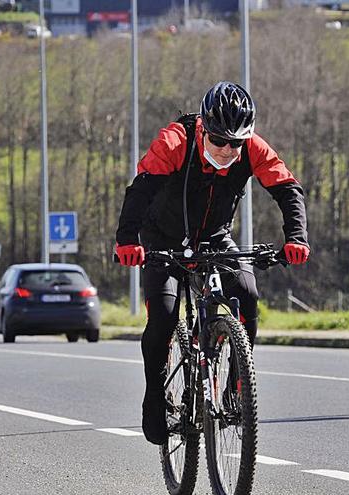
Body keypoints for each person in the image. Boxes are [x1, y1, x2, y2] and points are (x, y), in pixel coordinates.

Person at [114, 81, 310, 445]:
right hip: (162, 239)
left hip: (216, 236)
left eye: (235, 142)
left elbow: (287, 188)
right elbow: (140, 190)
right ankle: (154, 397)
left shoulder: (251, 148)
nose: (226, 150)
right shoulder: (175, 141)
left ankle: (238, 385)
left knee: (247, 292)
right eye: (219, 140)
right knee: (164, 315)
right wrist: (127, 240)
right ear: (204, 126)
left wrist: (296, 238)